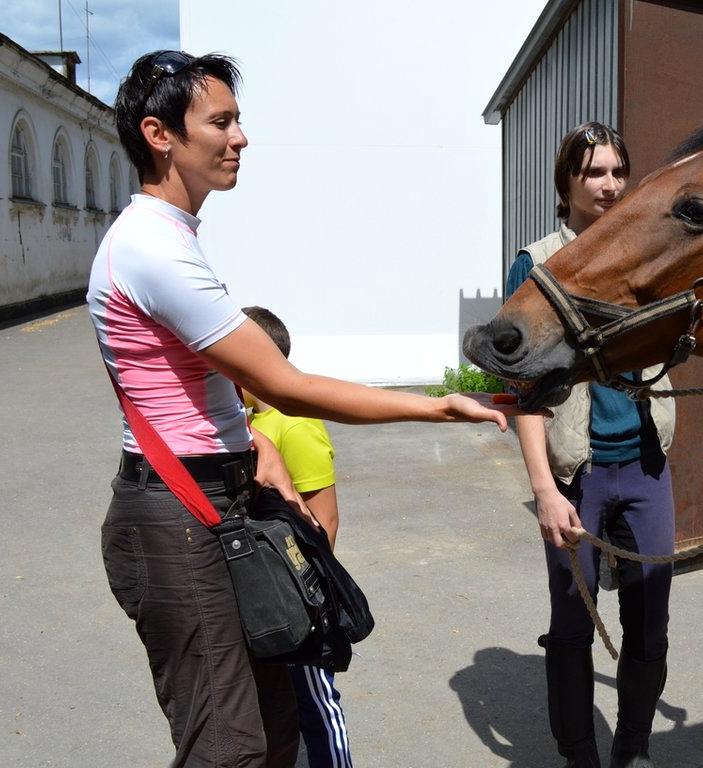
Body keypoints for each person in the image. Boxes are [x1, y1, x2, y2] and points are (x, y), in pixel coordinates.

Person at [88, 51, 522, 768]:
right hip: (179, 518)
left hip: (216, 501)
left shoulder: (169, 241)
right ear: (159, 134)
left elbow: (206, 386)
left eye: (238, 120)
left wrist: (254, 445)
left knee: (274, 723)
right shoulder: (150, 248)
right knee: (228, 749)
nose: (240, 138)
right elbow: (283, 385)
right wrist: (437, 408)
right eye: (220, 122)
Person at [505, 121, 703, 768]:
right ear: (566, 181)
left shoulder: (647, 251)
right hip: (577, 475)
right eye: (593, 171)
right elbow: (523, 390)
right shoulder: (538, 262)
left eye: (618, 171)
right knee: (571, 628)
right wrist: (544, 490)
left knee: (649, 626)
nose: (608, 184)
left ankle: (632, 751)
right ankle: (580, 758)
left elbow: (702, 341)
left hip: (644, 469)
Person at [241, 306, 351, 768]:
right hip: (267, 588)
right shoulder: (249, 423)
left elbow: (324, 521)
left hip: (298, 594)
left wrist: (303, 598)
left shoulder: (295, 424)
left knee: (315, 699)